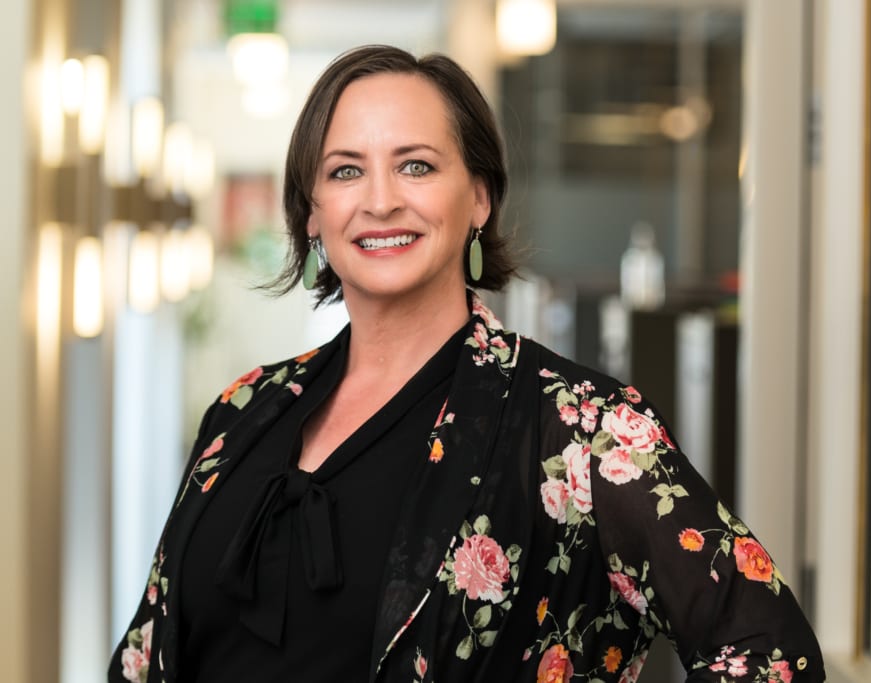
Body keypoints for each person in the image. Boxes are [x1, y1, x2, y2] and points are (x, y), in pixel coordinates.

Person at [110, 45, 824, 683]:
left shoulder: (583, 430)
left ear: (479, 197)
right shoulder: (242, 410)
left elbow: (771, 654)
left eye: (416, 165)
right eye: (346, 170)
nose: (381, 200)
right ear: (312, 213)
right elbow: (145, 654)